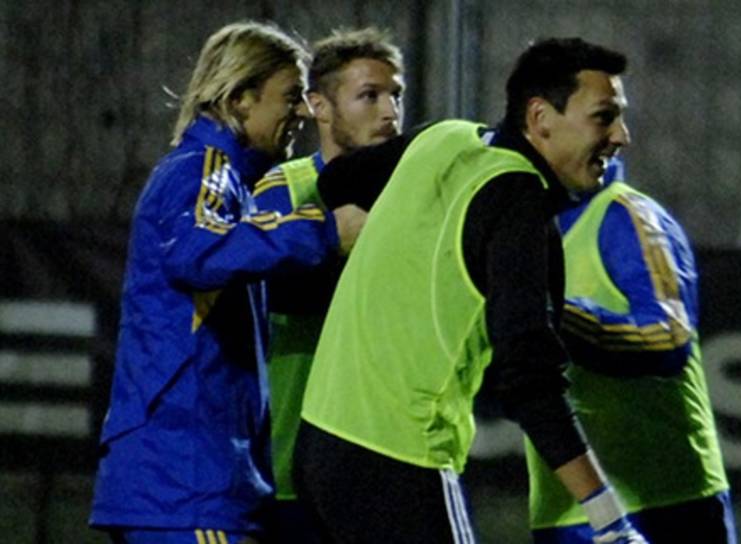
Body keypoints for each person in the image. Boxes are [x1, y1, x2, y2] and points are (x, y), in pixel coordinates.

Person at [294, 38, 647, 544]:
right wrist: (609, 519)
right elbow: (531, 381)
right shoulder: (519, 201)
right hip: (400, 462)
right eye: (604, 117)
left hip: (320, 445)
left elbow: (338, 180)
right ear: (541, 117)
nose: (621, 136)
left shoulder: (445, 136)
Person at [89, 20, 363, 544]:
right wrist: (324, 231)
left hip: (188, 481)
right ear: (240, 98)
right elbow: (197, 253)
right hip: (187, 481)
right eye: (290, 96)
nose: (303, 112)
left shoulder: (228, 179)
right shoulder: (202, 169)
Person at [525, 157, 737, 543]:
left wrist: (549, 315)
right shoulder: (516, 230)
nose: (619, 135)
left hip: (666, 503)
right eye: (602, 123)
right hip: (564, 509)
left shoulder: (628, 216)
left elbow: (666, 339)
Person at [253, 27, 404, 541]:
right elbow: (270, 289)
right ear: (318, 105)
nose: (390, 112)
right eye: (369, 96)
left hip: (381, 461)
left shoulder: (411, 197)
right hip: (289, 463)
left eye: (395, 95)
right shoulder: (284, 190)